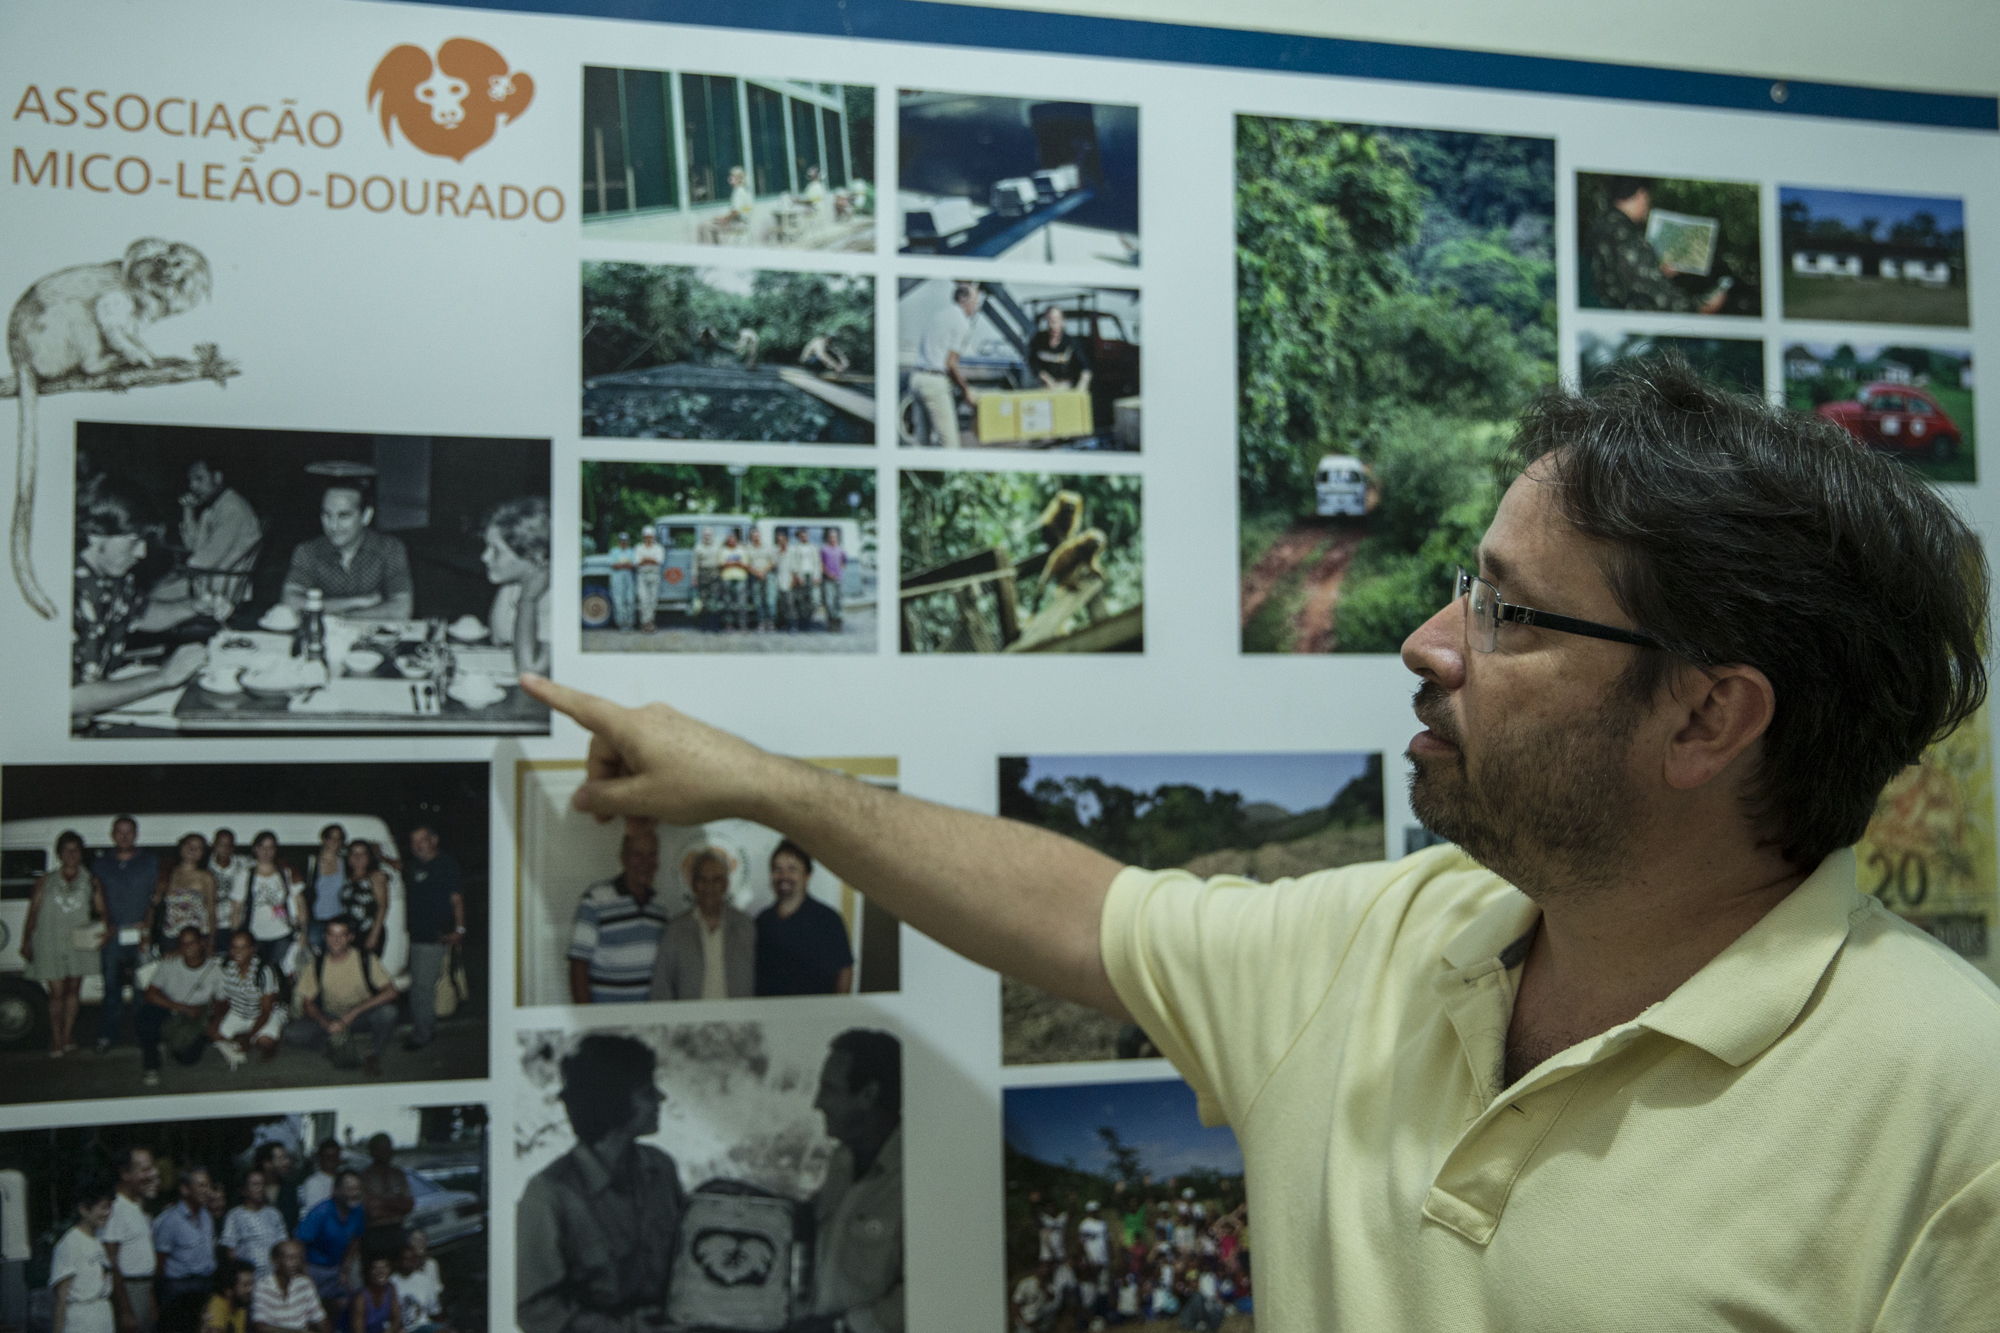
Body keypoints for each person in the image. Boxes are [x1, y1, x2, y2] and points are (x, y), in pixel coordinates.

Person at [517, 356, 2000, 1328]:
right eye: (1459, 588)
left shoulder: (1952, 1110)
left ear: (1706, 718)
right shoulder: (1392, 935)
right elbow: (1083, 907)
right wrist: (767, 784)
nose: (1428, 644)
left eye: (1509, 613)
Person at [516, 1033, 686, 1333]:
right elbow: (537, 1312)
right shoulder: (547, 1195)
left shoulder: (661, 1168)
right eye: (647, 1092)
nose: (661, 1098)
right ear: (614, 1101)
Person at [71, 477, 208, 726]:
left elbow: (141, 614)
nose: (142, 553)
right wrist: (164, 677)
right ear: (95, 534)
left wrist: (192, 606)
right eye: (133, 541)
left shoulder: (114, 577)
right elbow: (69, 699)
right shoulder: (62, 592)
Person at [796, 1029, 902, 1333]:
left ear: (868, 1095)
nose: (818, 1103)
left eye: (829, 1089)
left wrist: (842, 1329)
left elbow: (931, 1285)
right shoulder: (841, 1162)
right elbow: (817, 1223)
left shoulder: (917, 1178)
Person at [1585, 176, 1728, 314]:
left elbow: (1625, 278)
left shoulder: (1603, 225)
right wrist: (1701, 308)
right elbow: (1656, 298)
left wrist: (1657, 271)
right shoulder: (1626, 235)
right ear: (1641, 194)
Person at [281, 475, 413, 621]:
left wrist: (342, 616)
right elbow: (289, 603)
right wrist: (358, 602)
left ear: (366, 516)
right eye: (326, 515)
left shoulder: (390, 549)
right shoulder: (307, 551)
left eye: (344, 516)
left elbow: (402, 609)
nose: (333, 525)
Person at [145, 460, 260, 626]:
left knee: (150, 600)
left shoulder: (232, 509)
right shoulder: (214, 507)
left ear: (217, 477)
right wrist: (188, 510)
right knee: (152, 593)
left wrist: (174, 574)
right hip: (208, 579)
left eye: (199, 479)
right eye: (191, 480)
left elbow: (202, 561)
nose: (192, 486)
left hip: (220, 587)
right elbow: (194, 547)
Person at [21, 828, 105, 1056]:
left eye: (75, 849)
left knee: (73, 990)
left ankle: (68, 1035)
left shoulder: (91, 879)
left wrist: (104, 923)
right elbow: (33, 912)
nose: (71, 854)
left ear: (81, 853)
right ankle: (55, 1039)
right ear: (59, 853)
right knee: (56, 992)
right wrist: (26, 940)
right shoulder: (45, 880)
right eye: (66, 849)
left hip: (80, 942)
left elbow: (101, 910)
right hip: (50, 941)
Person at [567, 825, 669, 1004]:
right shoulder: (595, 900)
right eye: (638, 854)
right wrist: (588, 1020)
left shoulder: (660, 907)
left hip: (649, 1019)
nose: (646, 862)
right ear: (623, 857)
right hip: (607, 1020)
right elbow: (578, 965)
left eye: (652, 854)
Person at [286, 918, 399, 1076]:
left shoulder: (365, 958)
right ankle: (332, 1045)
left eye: (341, 935)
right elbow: (307, 1003)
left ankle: (373, 1054)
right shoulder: (317, 963)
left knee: (388, 1013)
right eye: (331, 935)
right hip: (332, 1015)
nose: (336, 940)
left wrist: (354, 1011)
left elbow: (391, 992)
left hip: (360, 1015)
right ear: (325, 937)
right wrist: (326, 1024)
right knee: (292, 1033)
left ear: (350, 937)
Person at [93, 815, 163, 1053]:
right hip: (112, 936)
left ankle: (144, 1034)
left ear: (136, 834)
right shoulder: (101, 864)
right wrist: (105, 924)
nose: (124, 836)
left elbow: (156, 899)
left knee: (141, 988)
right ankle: (107, 1035)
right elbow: (96, 898)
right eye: (119, 831)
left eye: (129, 831)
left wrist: (147, 929)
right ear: (113, 834)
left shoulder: (150, 862)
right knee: (111, 987)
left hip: (140, 934)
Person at [650, 848, 755, 1001]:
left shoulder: (746, 926)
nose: (709, 886)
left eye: (716, 879)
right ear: (693, 884)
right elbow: (662, 986)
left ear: (726, 884)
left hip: (737, 1021)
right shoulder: (675, 929)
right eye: (702, 879)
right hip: (691, 1022)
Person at [754, 842, 852, 996]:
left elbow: (844, 972)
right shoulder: (762, 921)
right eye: (778, 869)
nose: (784, 876)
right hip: (771, 1016)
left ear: (807, 876)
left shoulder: (828, 920)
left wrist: (836, 1014)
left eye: (792, 869)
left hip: (815, 1016)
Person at [401, 825, 464, 1051]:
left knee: (421, 988)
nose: (418, 845)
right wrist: (381, 857)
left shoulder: (446, 864)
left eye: (423, 840)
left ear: (434, 840)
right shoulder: (416, 866)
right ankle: (425, 1029)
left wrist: (460, 930)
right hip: (417, 936)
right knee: (420, 986)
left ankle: (422, 1034)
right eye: (414, 841)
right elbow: (400, 867)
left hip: (434, 937)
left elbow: (456, 899)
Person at [135, 927, 222, 1086]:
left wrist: (214, 1023)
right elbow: (150, 995)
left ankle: (185, 1041)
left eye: (192, 943)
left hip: (197, 1013)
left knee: (187, 1058)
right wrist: (181, 1008)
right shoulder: (171, 963)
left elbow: (221, 1001)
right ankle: (151, 1065)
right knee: (145, 1017)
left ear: (202, 943)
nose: (188, 947)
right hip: (172, 1006)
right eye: (183, 943)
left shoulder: (214, 969)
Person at [482, 496, 552, 676]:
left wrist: (528, 600)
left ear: (534, 556)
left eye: (496, 550)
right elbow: (499, 640)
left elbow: (529, 674)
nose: (485, 557)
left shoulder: (556, 597)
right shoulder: (512, 583)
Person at [910, 282, 984, 449]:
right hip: (934, 382)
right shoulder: (961, 322)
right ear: (963, 300)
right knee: (950, 444)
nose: (976, 307)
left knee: (922, 441)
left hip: (917, 378)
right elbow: (950, 364)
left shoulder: (939, 315)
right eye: (975, 302)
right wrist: (965, 390)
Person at [152, 1166, 218, 1333]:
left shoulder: (206, 1215)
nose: (207, 1191)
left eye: (209, 1186)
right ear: (185, 1189)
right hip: (179, 1289)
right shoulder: (170, 1220)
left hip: (204, 1284)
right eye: (201, 1186)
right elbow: (160, 1261)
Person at [103, 1148, 162, 1333]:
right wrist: (126, 1311)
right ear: (126, 1173)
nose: (152, 1175)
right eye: (145, 1170)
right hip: (128, 1292)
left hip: (144, 1288)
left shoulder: (136, 1205)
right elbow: (111, 1263)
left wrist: (151, 1299)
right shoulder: (115, 1208)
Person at [52, 1174, 120, 1333]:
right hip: (80, 1321)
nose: (107, 1213)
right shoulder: (70, 1243)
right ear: (83, 1210)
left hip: (102, 1315)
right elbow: (61, 1299)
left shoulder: (99, 1239)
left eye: (110, 1207)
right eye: (102, 1207)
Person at [295, 1173, 366, 1323]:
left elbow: (355, 1240)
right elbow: (299, 1241)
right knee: (313, 1314)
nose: (355, 1193)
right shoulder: (321, 1212)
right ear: (337, 1191)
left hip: (337, 1267)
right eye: (350, 1189)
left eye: (357, 1189)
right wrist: (304, 1273)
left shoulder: (357, 1211)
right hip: (313, 1267)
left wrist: (345, 1269)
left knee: (343, 1305)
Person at [210, 931, 285, 1068]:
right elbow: (221, 1000)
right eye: (234, 947)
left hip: (264, 1014)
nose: (238, 952)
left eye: (243, 948)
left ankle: (266, 1038)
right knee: (213, 1033)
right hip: (239, 1011)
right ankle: (242, 1036)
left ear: (252, 950)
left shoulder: (264, 971)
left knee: (264, 1043)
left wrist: (248, 1037)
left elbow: (266, 1011)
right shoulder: (226, 967)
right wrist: (218, 1019)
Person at [241, 833, 303, 985]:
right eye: (262, 846)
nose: (267, 851)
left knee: (280, 977)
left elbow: (300, 903)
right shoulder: (245, 874)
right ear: (255, 849)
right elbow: (236, 908)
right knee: (258, 977)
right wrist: (237, 934)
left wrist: (303, 932)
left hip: (282, 933)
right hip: (254, 935)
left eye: (271, 847)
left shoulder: (285, 872)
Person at [218, 1174, 287, 1281]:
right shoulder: (234, 1215)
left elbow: (283, 1244)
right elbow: (230, 1249)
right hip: (249, 1278)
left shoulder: (274, 1213)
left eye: (263, 1184)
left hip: (273, 1276)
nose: (260, 1188)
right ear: (244, 1190)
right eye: (255, 1184)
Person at [151, 835, 218, 947]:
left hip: (197, 937)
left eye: (198, 848)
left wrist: (211, 940)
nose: (192, 850)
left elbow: (211, 910)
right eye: (189, 845)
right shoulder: (167, 872)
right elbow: (155, 902)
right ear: (181, 847)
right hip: (171, 935)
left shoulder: (207, 877)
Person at [250, 1241, 329, 1333]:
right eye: (290, 1258)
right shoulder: (262, 1287)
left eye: (298, 1258)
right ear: (276, 1261)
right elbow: (260, 1327)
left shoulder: (305, 1284)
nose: (295, 1263)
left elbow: (320, 1318)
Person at [356, 1137, 414, 1260]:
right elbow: (370, 1210)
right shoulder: (364, 1177)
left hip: (397, 1230)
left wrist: (382, 1202)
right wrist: (396, 1205)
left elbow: (409, 1204)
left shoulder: (398, 1175)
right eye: (381, 1149)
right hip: (374, 1234)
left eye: (388, 1148)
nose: (386, 1152)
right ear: (372, 1152)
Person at [337, 843, 389, 957]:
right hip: (349, 933)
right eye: (354, 853)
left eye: (362, 853)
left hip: (369, 931)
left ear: (369, 857)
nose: (358, 857)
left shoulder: (376, 877)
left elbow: (383, 906)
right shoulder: (347, 878)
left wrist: (374, 935)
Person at [388, 1235, 444, 1333]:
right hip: (402, 1329)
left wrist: (443, 1326)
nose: (409, 1263)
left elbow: (434, 1309)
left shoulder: (423, 1279)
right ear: (397, 1262)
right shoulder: (391, 1282)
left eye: (412, 1259)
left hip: (423, 1325)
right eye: (405, 1259)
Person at [1028, 307, 1091, 392]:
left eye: (1056, 320)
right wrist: (1046, 378)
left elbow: (1085, 368)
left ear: (1062, 321)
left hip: (1064, 386)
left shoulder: (1071, 342)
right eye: (1049, 320)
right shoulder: (1038, 340)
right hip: (1044, 387)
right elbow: (1033, 362)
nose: (1052, 325)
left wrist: (1081, 387)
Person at [306, 827, 347, 956]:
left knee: (336, 961)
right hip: (315, 922)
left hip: (338, 923)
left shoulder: (345, 862)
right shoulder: (311, 862)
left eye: (338, 838)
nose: (335, 842)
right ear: (324, 839)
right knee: (315, 961)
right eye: (331, 838)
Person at [209, 830, 250, 952]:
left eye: (229, 845)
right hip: (210, 925)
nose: (225, 849)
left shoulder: (244, 863)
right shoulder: (204, 863)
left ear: (233, 847)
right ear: (214, 845)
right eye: (221, 844)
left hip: (237, 924)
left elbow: (268, 863)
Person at [252, 1146, 302, 1237]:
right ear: (267, 1163)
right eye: (281, 1159)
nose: (287, 1162)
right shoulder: (250, 1189)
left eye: (287, 1158)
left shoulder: (289, 1189)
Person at [781, 528, 820, 632]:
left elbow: (817, 563)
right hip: (801, 576)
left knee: (812, 600)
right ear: (798, 537)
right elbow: (793, 563)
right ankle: (800, 623)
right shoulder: (795, 548)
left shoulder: (813, 548)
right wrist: (797, 576)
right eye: (802, 536)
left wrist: (816, 576)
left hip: (810, 575)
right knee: (800, 600)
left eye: (805, 535)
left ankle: (809, 622)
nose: (804, 537)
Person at [347, 1259, 400, 1333]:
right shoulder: (360, 1298)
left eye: (384, 1267)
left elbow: (397, 1319)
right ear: (368, 1273)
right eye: (375, 1268)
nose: (380, 1271)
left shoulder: (390, 1288)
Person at [200, 1263, 256, 1333]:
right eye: (245, 1285)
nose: (250, 1289)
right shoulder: (217, 1305)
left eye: (252, 1283)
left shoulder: (241, 1306)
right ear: (228, 1290)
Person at [296, 1144, 343, 1221]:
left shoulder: (343, 1179)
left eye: (334, 1156)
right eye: (328, 1156)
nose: (331, 1159)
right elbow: (315, 1212)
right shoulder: (313, 1182)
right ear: (320, 1158)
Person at [717, 528, 750, 631]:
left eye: (733, 539)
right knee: (728, 603)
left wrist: (730, 563)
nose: (731, 541)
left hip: (740, 579)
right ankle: (729, 624)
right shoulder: (723, 551)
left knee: (742, 603)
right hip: (727, 579)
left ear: (736, 540)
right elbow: (721, 564)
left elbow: (745, 564)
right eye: (729, 539)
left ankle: (742, 625)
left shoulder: (742, 550)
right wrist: (736, 563)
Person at [633, 529, 664, 633]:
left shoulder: (658, 548)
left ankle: (650, 622)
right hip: (642, 575)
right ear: (644, 537)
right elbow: (637, 561)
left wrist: (645, 559)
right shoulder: (639, 547)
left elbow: (658, 561)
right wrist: (650, 559)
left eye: (650, 536)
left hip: (654, 575)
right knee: (643, 599)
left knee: (653, 600)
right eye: (647, 537)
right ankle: (644, 622)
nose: (649, 539)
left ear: (654, 537)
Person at [745, 528, 775, 632]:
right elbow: (747, 564)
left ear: (760, 536)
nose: (755, 537)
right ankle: (761, 623)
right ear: (751, 537)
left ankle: (770, 623)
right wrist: (757, 573)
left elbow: (772, 562)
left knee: (770, 600)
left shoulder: (767, 547)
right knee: (758, 601)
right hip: (755, 577)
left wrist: (763, 571)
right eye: (753, 536)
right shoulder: (748, 549)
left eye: (757, 535)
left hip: (768, 576)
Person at [691, 527, 720, 632]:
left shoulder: (717, 546)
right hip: (703, 574)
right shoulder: (698, 547)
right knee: (703, 600)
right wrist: (694, 577)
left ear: (711, 535)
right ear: (703, 535)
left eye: (709, 534)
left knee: (714, 600)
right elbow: (695, 563)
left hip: (715, 573)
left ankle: (714, 626)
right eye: (705, 535)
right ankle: (704, 626)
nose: (707, 536)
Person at [607, 533, 636, 633]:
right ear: (619, 541)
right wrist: (626, 564)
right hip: (617, 577)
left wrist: (622, 564)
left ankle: (630, 623)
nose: (624, 542)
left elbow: (633, 565)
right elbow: (613, 565)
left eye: (625, 541)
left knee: (629, 599)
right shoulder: (614, 551)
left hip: (629, 577)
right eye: (622, 540)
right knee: (619, 600)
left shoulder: (631, 551)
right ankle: (621, 623)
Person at [1011, 1262, 1053, 1333]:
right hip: (1025, 1323)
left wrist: (1044, 1289)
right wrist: (1023, 1320)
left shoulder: (1048, 1286)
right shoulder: (1026, 1284)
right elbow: (1015, 1304)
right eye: (1043, 1269)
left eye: (1047, 1271)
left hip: (1038, 1323)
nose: (1044, 1272)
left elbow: (1052, 1299)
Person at [818, 529, 846, 633]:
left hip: (838, 579)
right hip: (827, 579)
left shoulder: (841, 549)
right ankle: (831, 622)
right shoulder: (824, 549)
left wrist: (839, 572)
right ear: (828, 538)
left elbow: (844, 562)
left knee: (838, 601)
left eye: (834, 537)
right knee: (829, 602)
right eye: (830, 537)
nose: (832, 539)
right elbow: (821, 564)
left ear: (837, 538)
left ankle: (837, 623)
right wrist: (828, 573)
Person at [1078, 1202, 1110, 1269]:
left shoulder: (1103, 1223)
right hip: (1091, 1259)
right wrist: (1083, 1258)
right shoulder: (1084, 1225)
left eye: (1096, 1211)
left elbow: (1108, 1240)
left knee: (1103, 1279)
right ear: (1088, 1212)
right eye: (1092, 1211)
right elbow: (1081, 1242)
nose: (1094, 1213)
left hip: (1103, 1258)